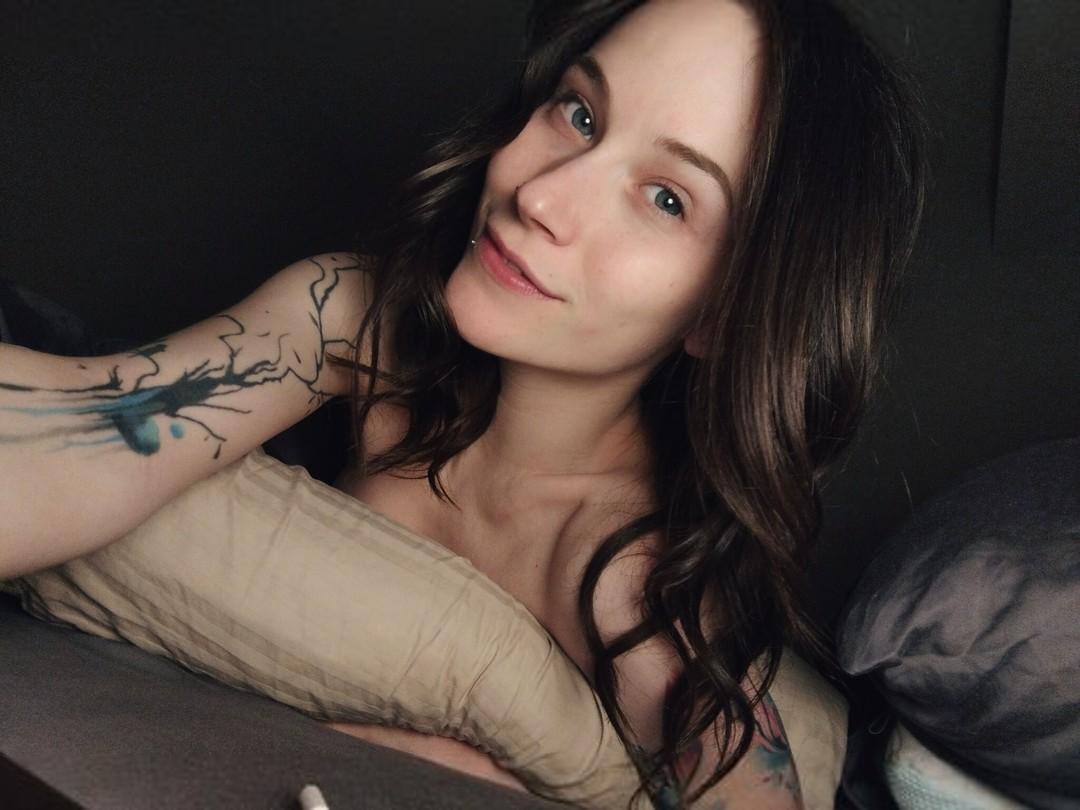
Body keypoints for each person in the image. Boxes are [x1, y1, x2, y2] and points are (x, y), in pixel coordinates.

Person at [0, 0, 926, 807]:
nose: (542, 193)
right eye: (579, 112)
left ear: (726, 313)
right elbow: (97, 432)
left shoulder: (628, 584)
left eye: (666, 199)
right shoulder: (355, 317)